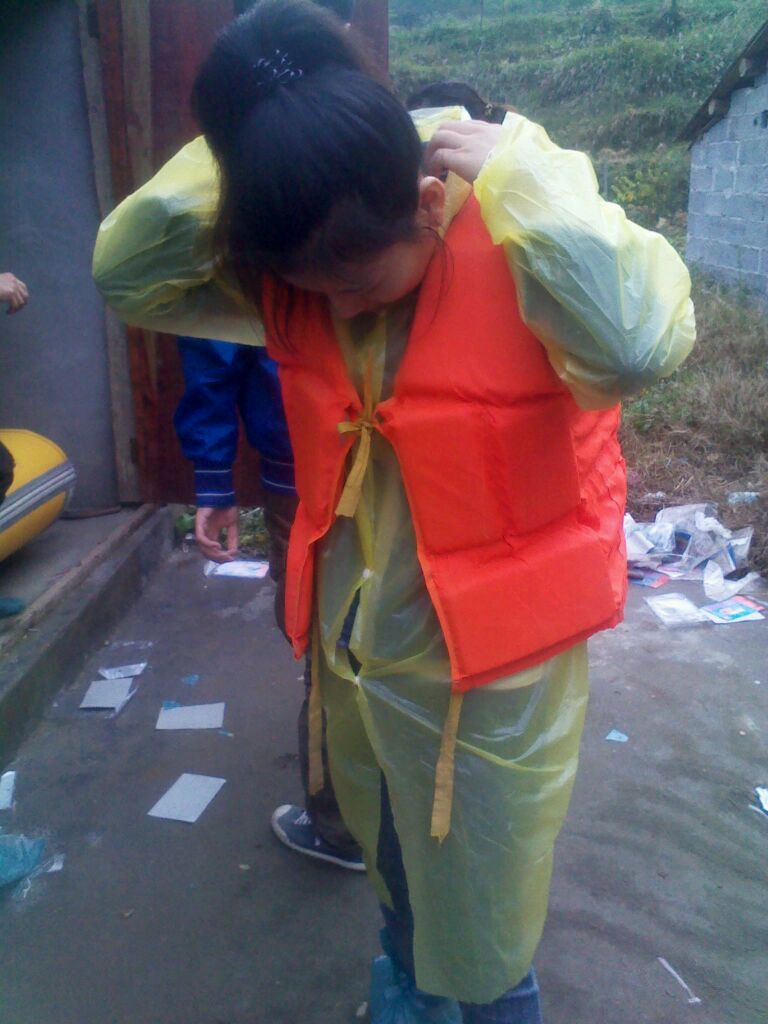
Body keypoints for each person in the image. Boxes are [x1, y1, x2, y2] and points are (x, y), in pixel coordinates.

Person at [93, 1, 696, 1019]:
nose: (337, 308)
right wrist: (258, 134)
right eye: (310, 289)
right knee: (398, 879)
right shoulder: (312, 264)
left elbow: (639, 342)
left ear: (426, 203)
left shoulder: (525, 250)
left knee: (487, 924)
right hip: (364, 660)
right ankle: (407, 988)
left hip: (492, 685)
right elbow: (128, 272)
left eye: (362, 283)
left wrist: (530, 170)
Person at [174, 334, 363, 869]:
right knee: (412, 619)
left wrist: (214, 479)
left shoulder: (269, 279)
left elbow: (217, 335)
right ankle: (424, 808)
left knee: (334, 644)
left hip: (307, 461)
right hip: (426, 452)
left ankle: (341, 830)